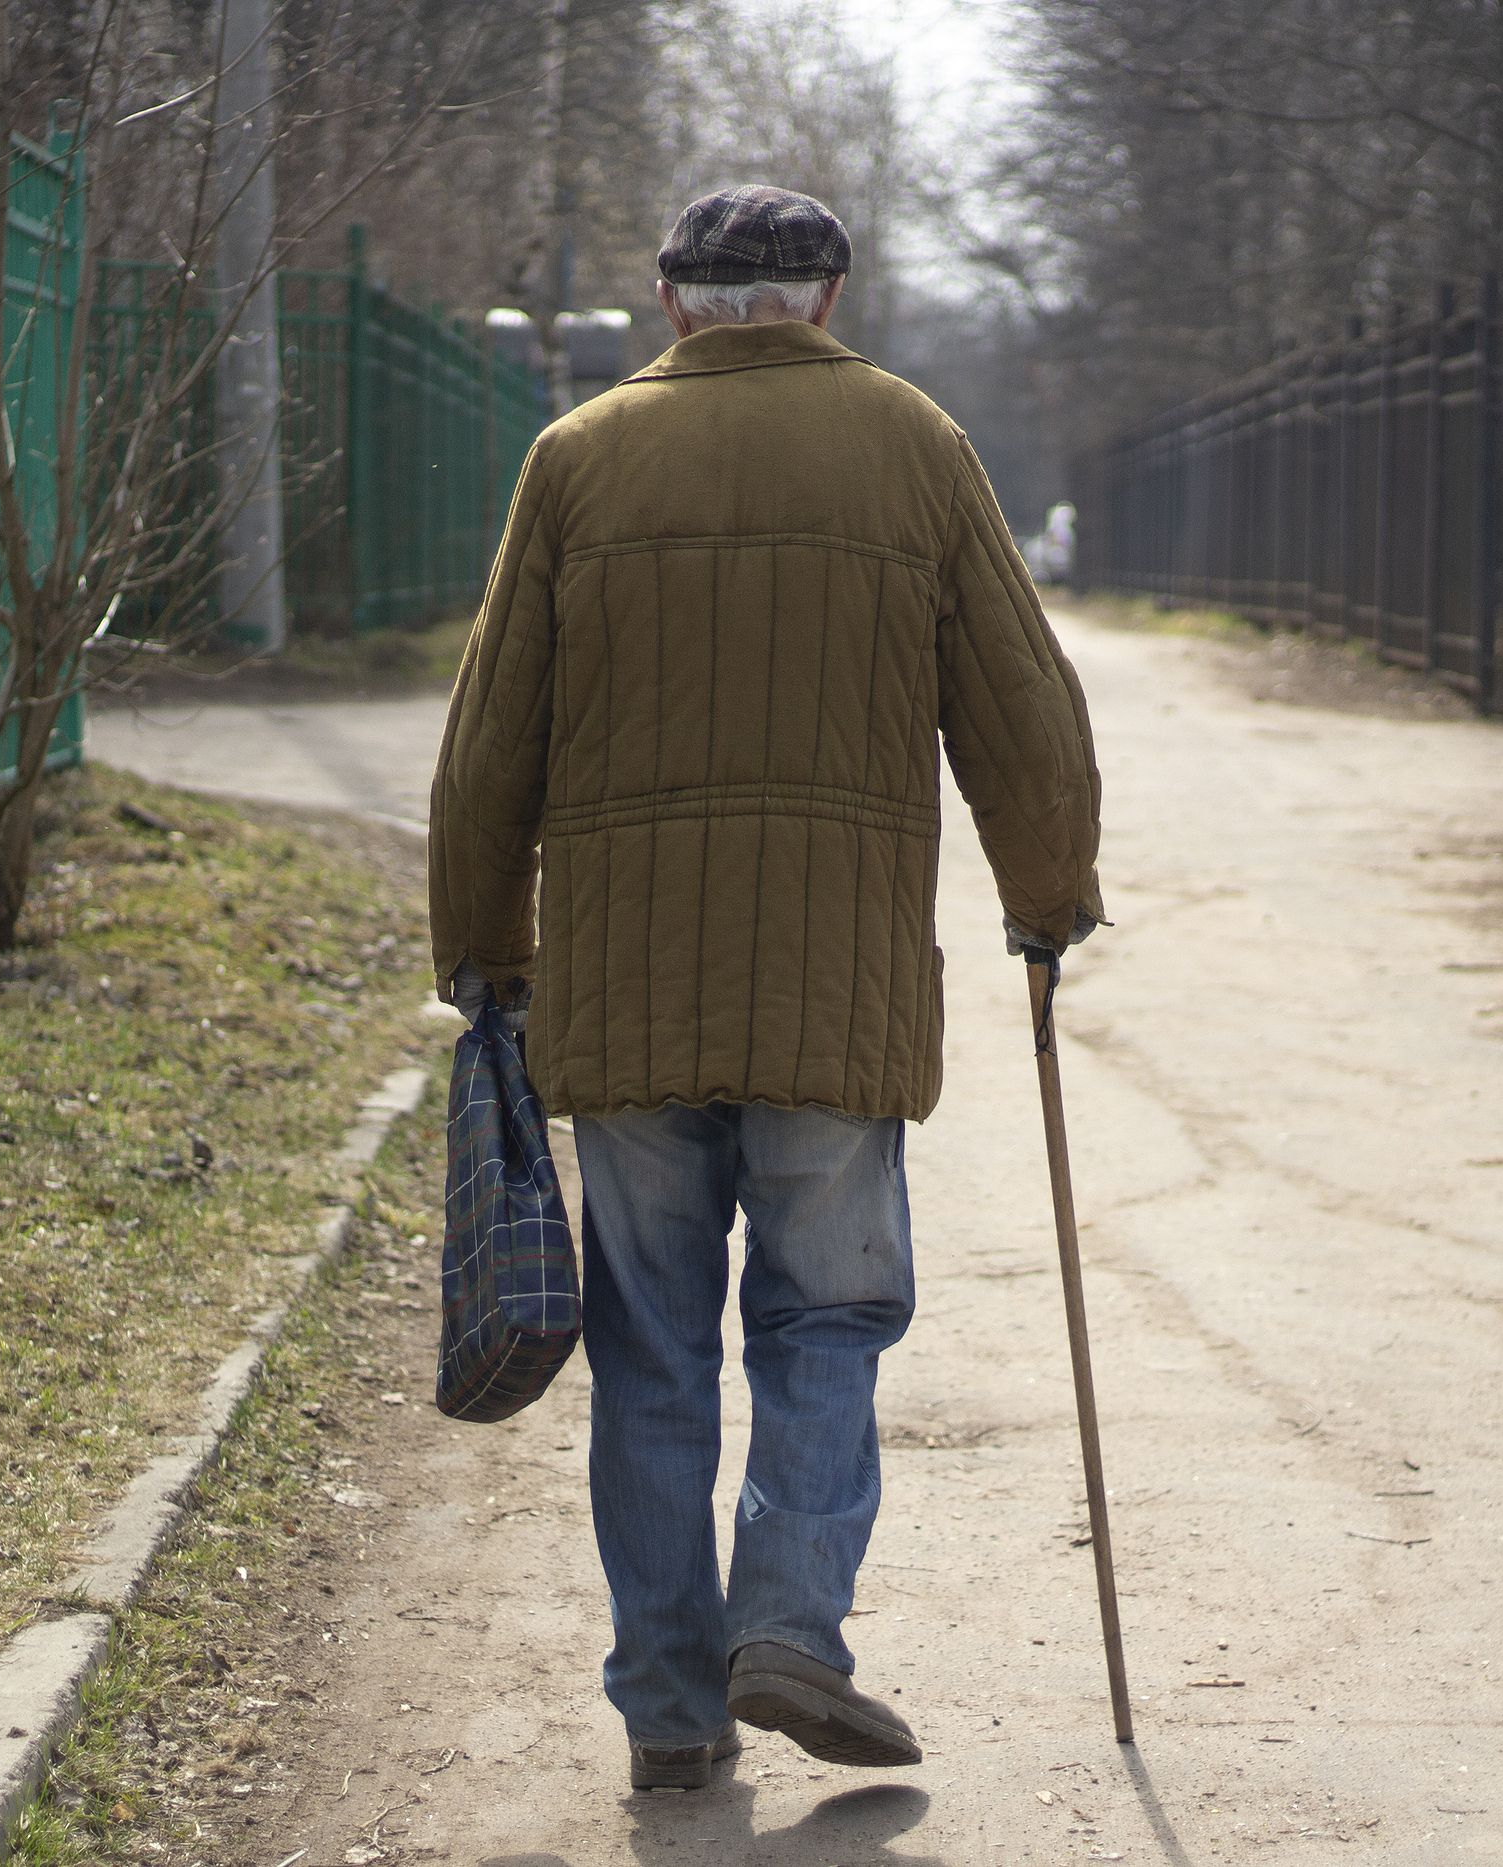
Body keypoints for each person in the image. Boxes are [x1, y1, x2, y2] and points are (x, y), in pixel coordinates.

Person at [428, 184, 1104, 1794]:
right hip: (834, 994)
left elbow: (488, 744)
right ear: (831, 298)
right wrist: (1047, 902)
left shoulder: (577, 458)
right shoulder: (918, 445)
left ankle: (673, 1710)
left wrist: (488, 954)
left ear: (672, 302)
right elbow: (1025, 710)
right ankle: (790, 1621)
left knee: (655, 1351)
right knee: (829, 1314)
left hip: (628, 1001)